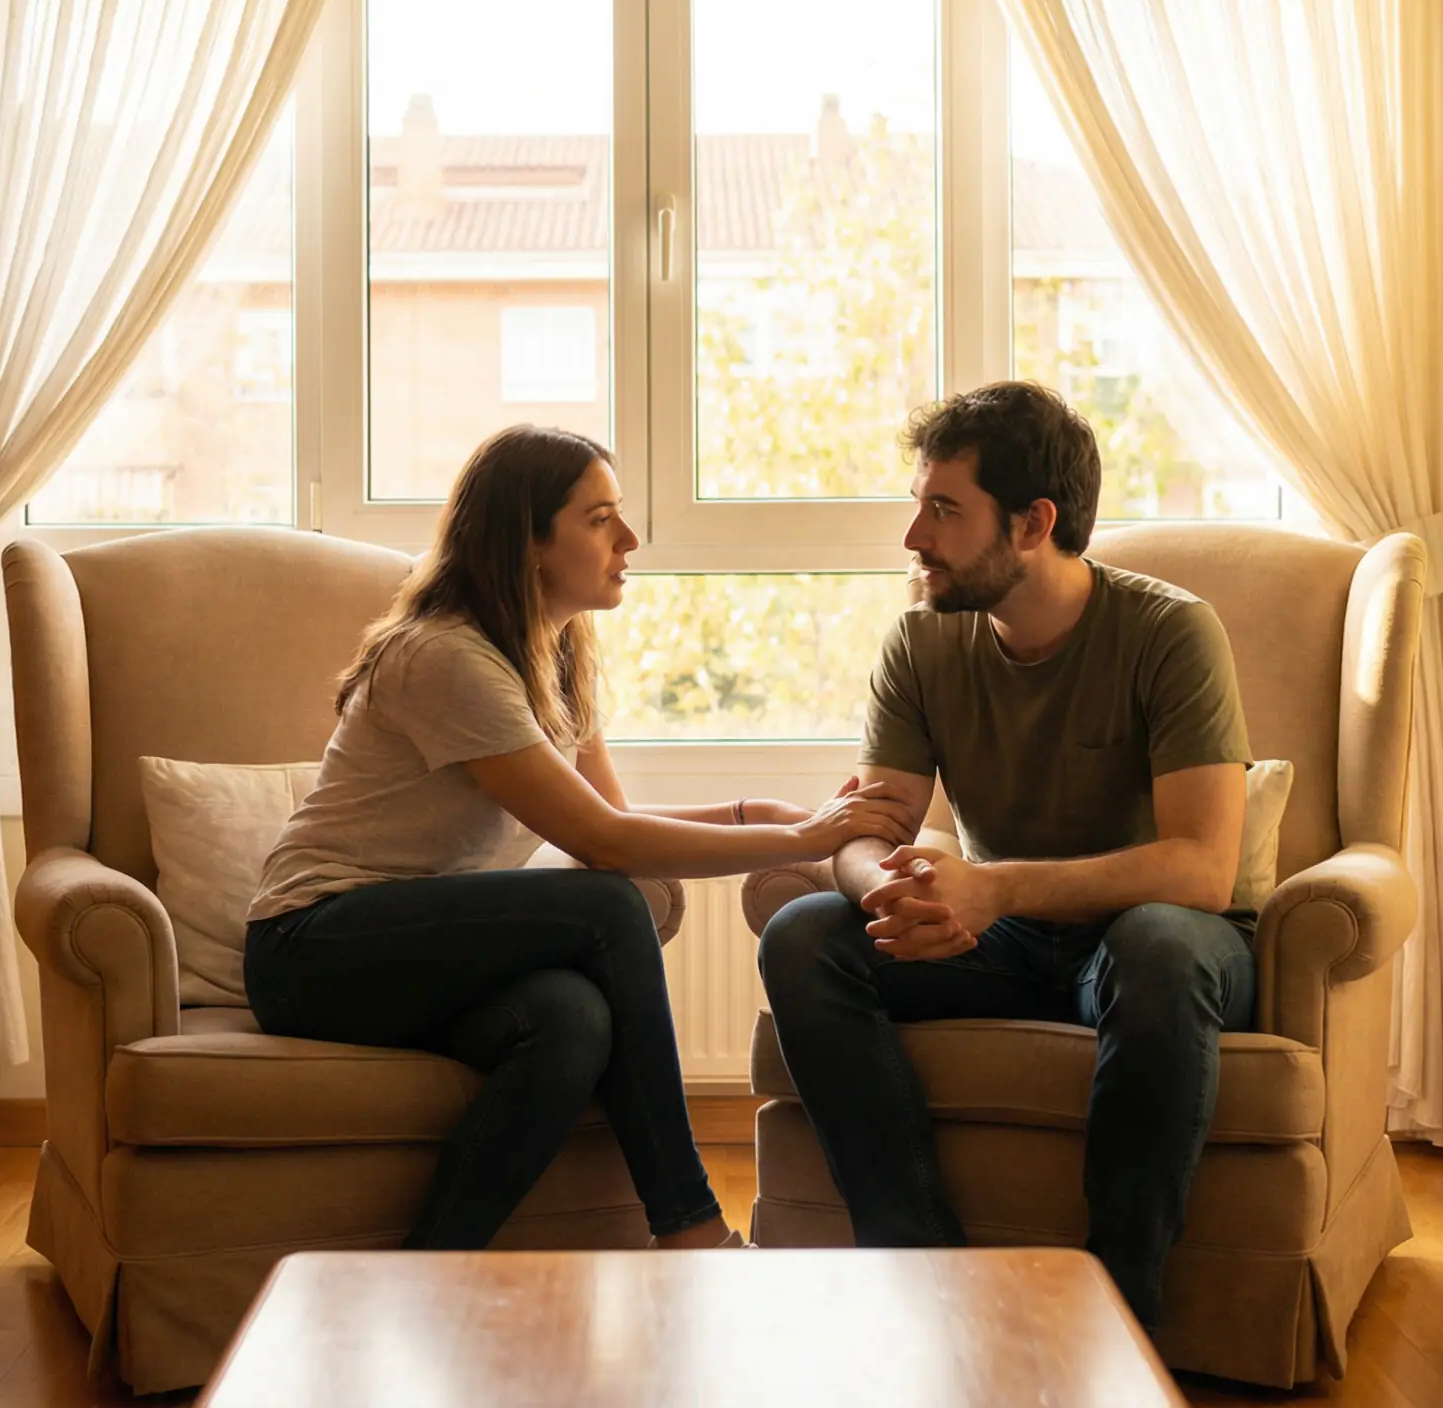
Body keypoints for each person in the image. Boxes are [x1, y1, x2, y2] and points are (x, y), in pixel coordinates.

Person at [245, 424, 910, 1253]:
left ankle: (430, 1268)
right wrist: (806, 836)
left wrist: (765, 815)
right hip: (313, 950)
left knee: (572, 1020)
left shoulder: (552, 654)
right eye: (600, 519)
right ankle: (692, 1227)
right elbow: (609, 847)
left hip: (419, 955)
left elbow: (616, 820)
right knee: (606, 907)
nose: (629, 539)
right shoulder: (446, 657)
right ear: (526, 540)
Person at [756, 381, 1253, 1327]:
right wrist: (895, 891)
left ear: (1033, 524)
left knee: (1161, 944)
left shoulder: (1169, 632)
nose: (914, 537)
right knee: (804, 935)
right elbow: (871, 824)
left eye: (944, 510)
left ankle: (1118, 1316)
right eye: (919, 504)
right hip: (1002, 944)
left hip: (1149, 947)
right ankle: (922, 1278)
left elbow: (1202, 868)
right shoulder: (921, 641)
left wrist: (990, 889)